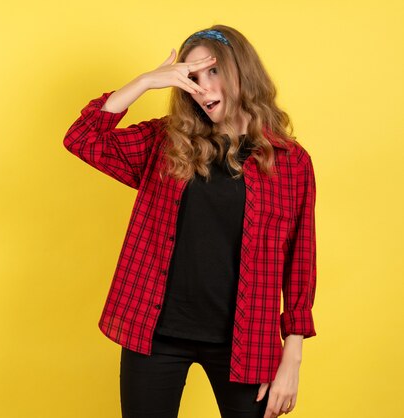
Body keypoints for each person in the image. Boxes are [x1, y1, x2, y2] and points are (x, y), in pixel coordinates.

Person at [62, 24, 317, 418]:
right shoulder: (166, 143)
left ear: (241, 72)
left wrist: (292, 359)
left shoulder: (290, 163)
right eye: (192, 78)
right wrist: (146, 81)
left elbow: (300, 263)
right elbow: (83, 138)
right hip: (155, 334)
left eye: (213, 71)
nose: (202, 87)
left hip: (245, 341)